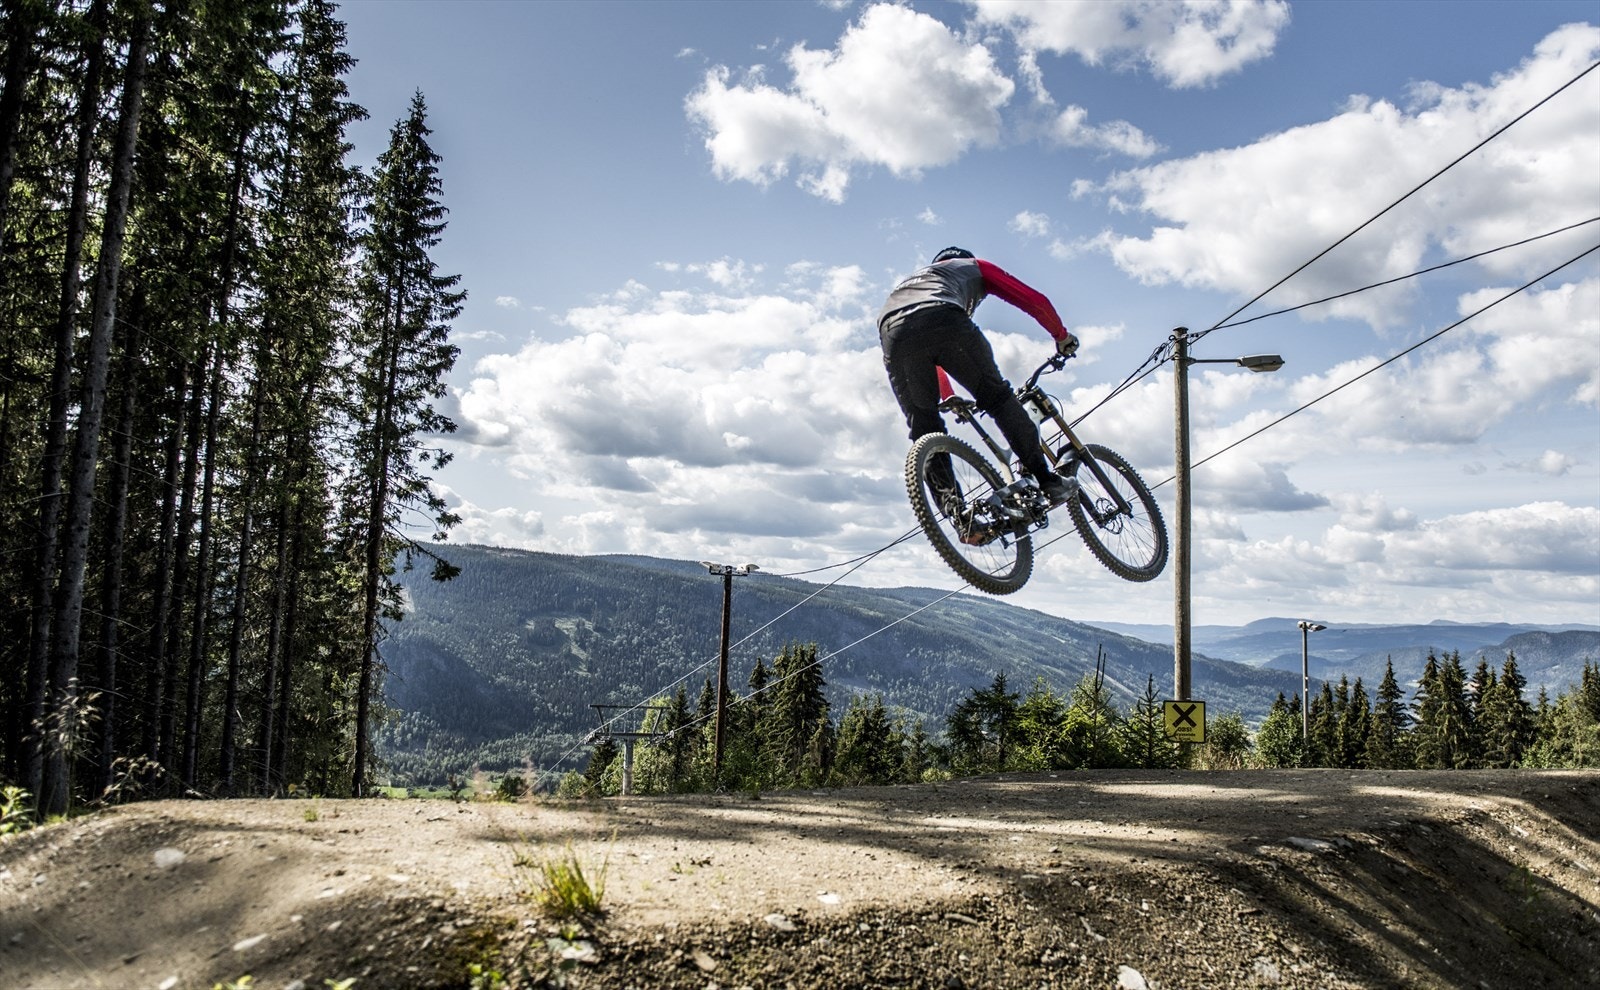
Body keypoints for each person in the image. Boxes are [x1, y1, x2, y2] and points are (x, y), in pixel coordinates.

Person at [878, 246, 1079, 506]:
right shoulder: (974, 266)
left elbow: (924, 343)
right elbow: (1033, 300)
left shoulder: (912, 283)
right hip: (945, 319)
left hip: (892, 332)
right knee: (998, 399)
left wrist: (948, 395)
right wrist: (1061, 336)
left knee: (924, 426)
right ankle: (1047, 481)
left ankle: (955, 510)